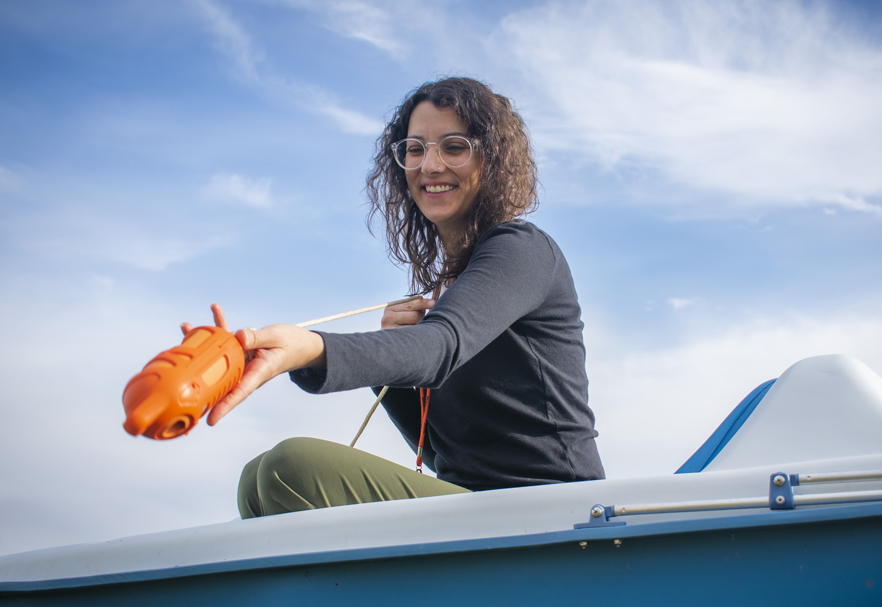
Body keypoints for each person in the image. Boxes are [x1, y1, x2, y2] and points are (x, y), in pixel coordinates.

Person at [187, 77, 605, 518]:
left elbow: (439, 346)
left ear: (493, 158)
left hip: (553, 511)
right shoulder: (449, 289)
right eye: (415, 148)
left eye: (454, 146)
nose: (430, 165)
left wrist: (309, 350)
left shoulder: (522, 249)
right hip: (474, 507)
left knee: (287, 468)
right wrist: (398, 372)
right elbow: (437, 452)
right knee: (255, 481)